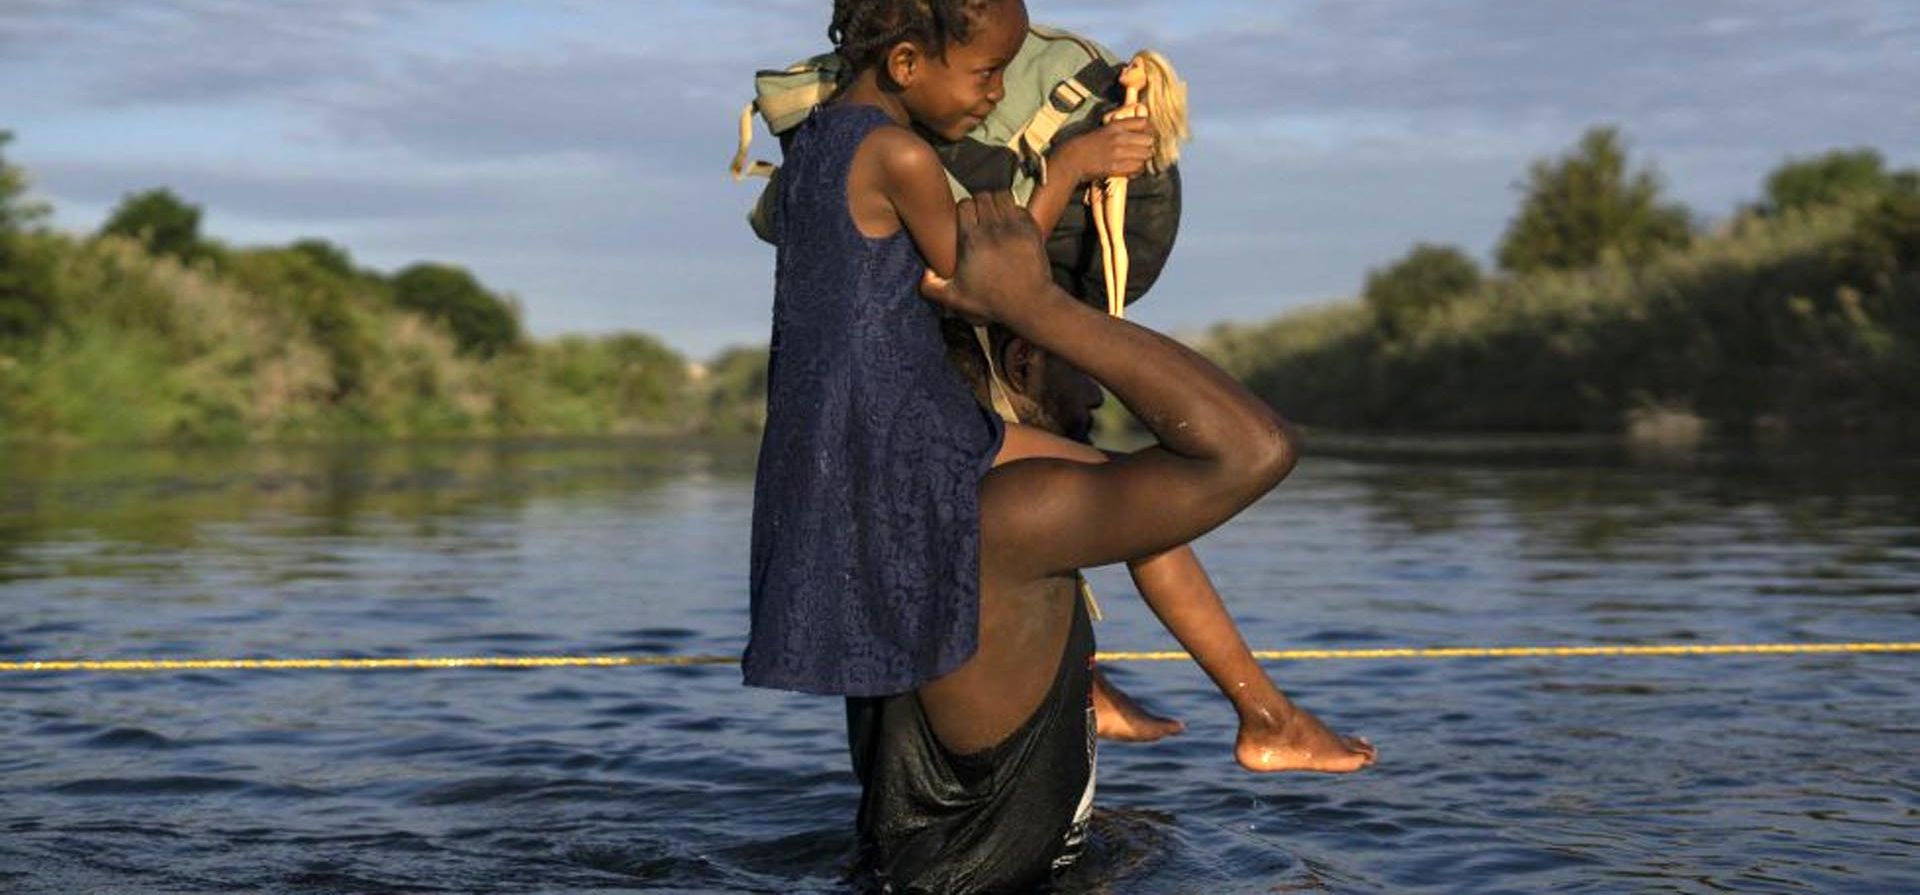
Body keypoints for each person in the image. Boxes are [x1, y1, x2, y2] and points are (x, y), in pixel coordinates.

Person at [848, 192, 1374, 891]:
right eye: (1081, 366)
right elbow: (1258, 447)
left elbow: (1147, 510)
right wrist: (1036, 303)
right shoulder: (1009, 516)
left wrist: (1261, 711)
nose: (1097, 397)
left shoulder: (910, 493)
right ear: (1025, 363)